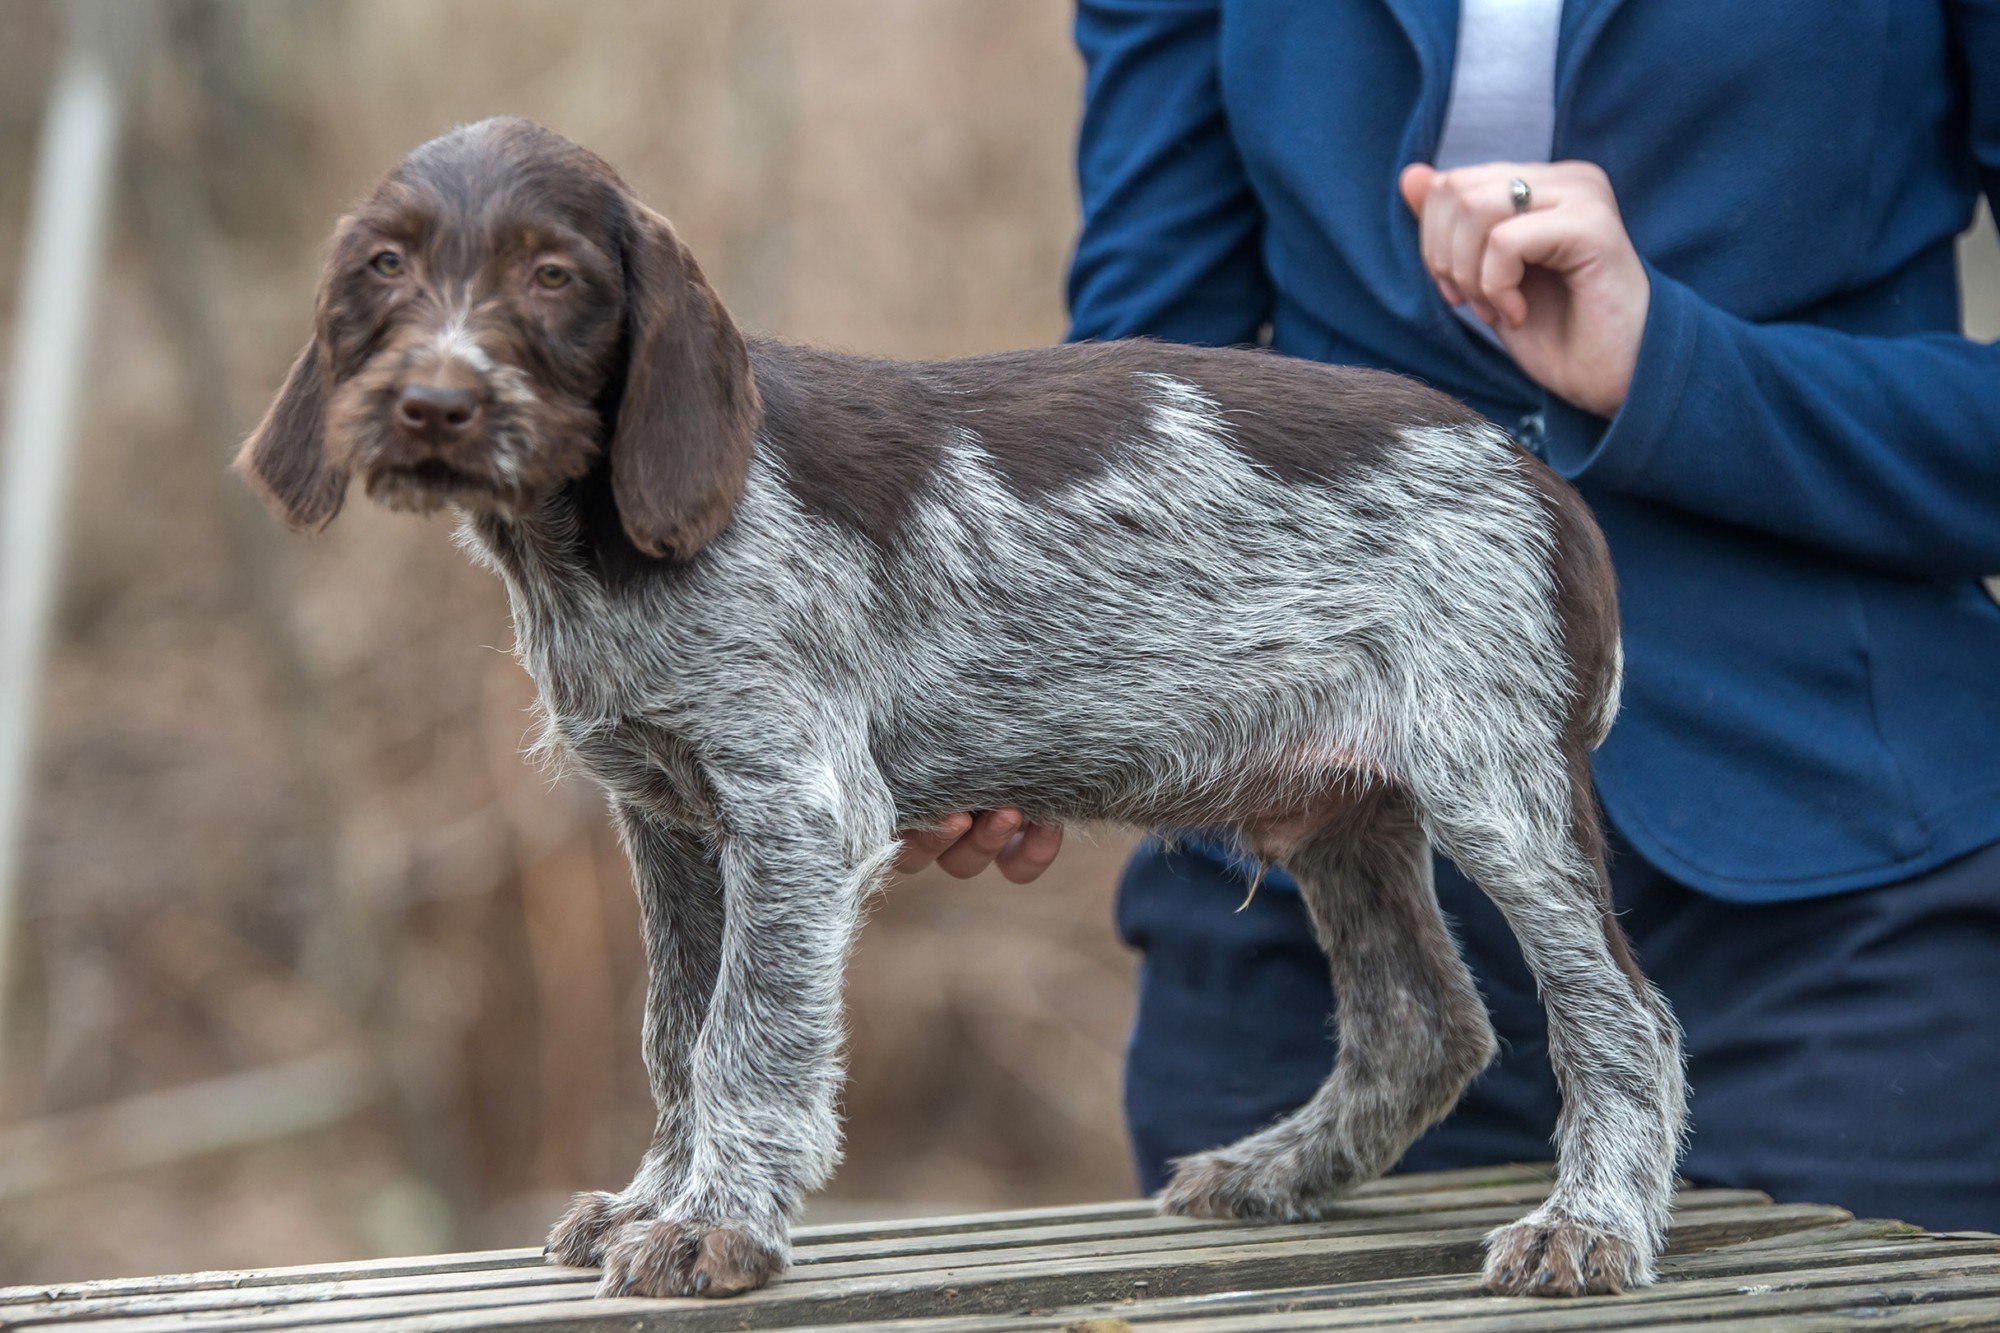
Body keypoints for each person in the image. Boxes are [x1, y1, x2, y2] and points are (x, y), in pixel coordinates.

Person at [899, 0, 2000, 1231]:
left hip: (1833, 901)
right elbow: (1147, 362)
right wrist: (1015, 676)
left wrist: (1674, 368)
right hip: (1294, 927)